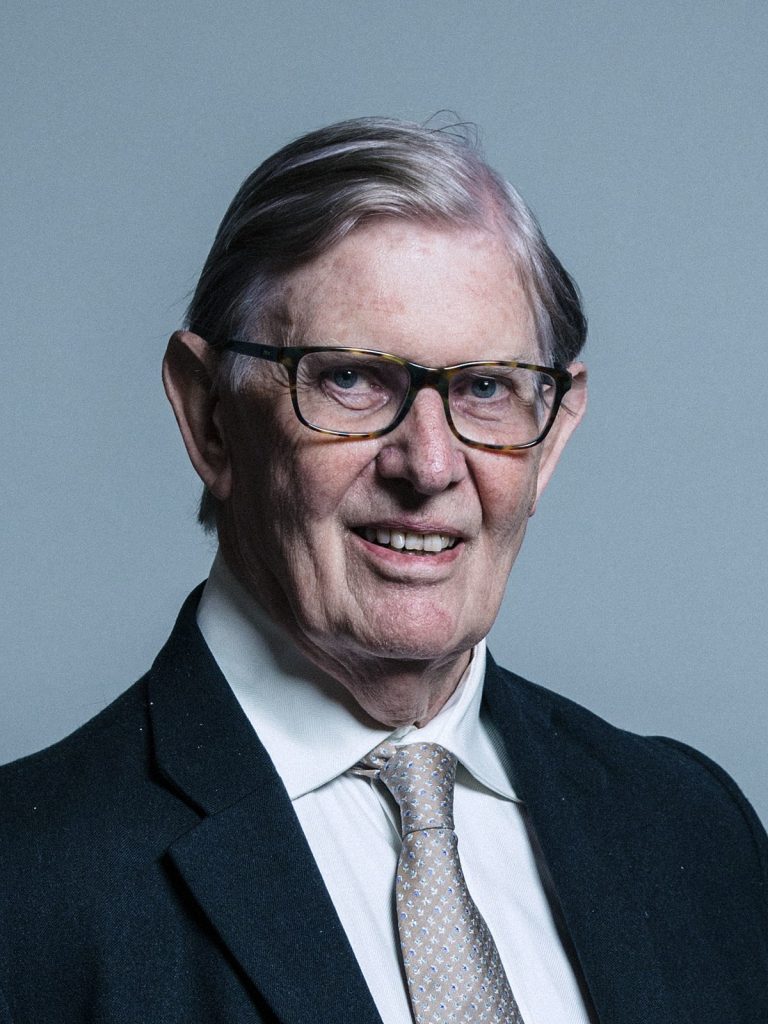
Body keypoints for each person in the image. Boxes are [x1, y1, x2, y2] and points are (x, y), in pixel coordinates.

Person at [0, 117, 765, 1024]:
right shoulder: (27, 891)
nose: (430, 465)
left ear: (551, 438)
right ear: (209, 418)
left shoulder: (696, 832)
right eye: (352, 380)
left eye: (487, 387)